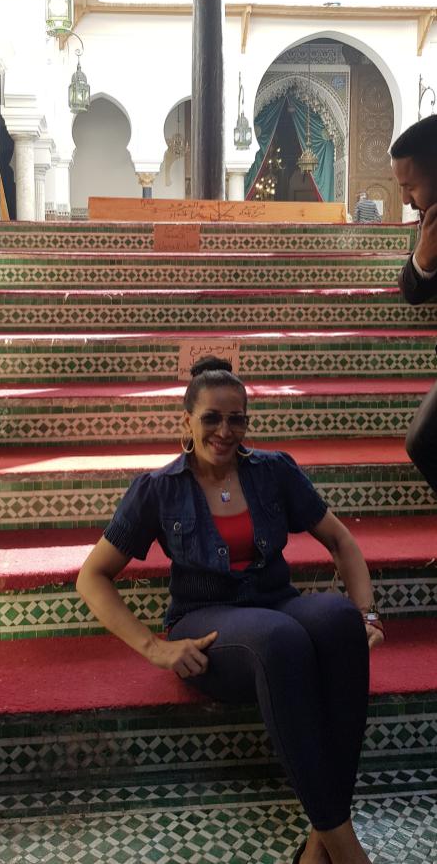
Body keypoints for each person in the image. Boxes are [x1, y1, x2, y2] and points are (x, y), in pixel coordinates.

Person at [77, 356, 385, 864]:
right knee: (281, 641)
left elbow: (341, 540)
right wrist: (155, 648)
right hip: (206, 620)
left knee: (337, 623)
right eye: (211, 418)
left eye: (236, 418)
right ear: (186, 422)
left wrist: (367, 612)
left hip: (276, 603)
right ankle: (350, 855)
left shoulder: (273, 471)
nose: (225, 430)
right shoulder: (158, 489)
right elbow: (92, 576)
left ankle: (318, 846)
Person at [391, 115, 437, 493]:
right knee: (423, 442)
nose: (404, 199)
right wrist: (424, 256)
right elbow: (412, 290)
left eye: (410, 186)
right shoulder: (430, 223)